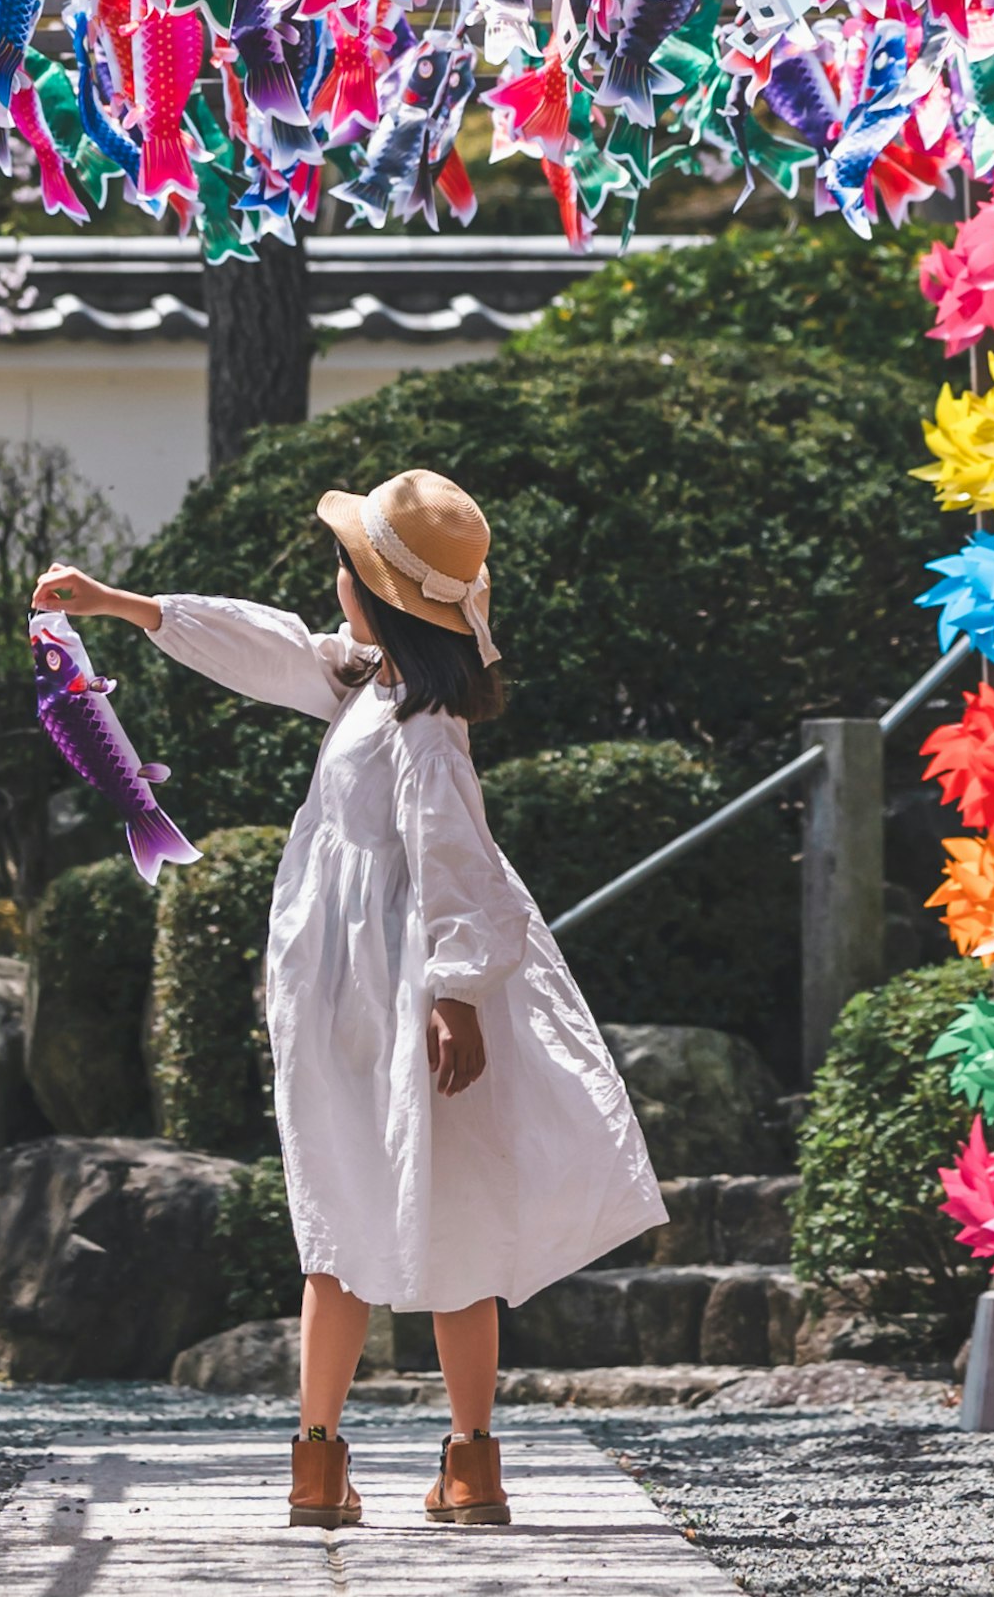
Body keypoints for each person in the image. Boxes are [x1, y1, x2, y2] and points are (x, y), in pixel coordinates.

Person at [34, 465, 661, 1531]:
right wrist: (122, 608)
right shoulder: (374, 687)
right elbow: (269, 647)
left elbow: (455, 855)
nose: (334, 579)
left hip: (390, 987)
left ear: (378, 594)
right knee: (417, 1211)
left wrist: (457, 993)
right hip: (366, 989)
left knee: (349, 1207)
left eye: (348, 566)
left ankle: (325, 1466)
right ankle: (464, 1465)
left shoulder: (420, 725)